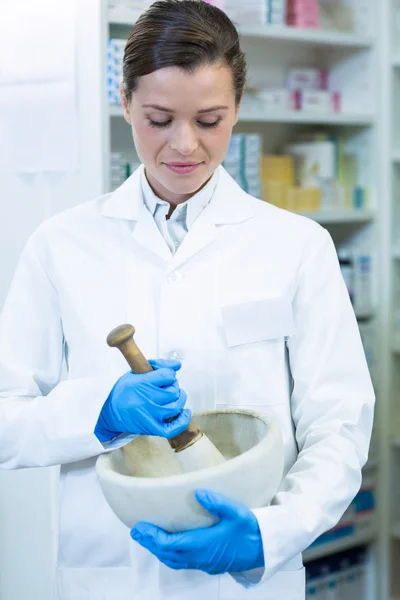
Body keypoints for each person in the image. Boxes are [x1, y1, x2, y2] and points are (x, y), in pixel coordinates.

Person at [0, 1, 375, 599]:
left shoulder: (298, 246)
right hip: (110, 575)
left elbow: (339, 425)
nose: (184, 145)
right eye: (158, 118)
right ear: (124, 103)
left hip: (251, 581)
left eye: (209, 119)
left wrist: (271, 531)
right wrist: (99, 412)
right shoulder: (61, 245)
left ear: (237, 109)